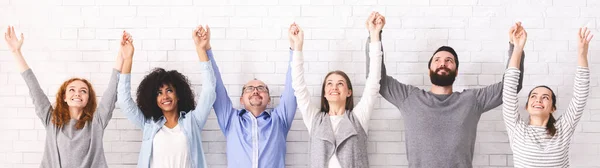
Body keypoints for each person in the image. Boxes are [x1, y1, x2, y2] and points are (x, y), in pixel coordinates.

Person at [364, 13, 526, 167]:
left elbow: (511, 87)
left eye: (449, 60)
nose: (443, 63)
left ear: (456, 71)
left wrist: (515, 48)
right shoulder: (409, 98)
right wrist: (374, 35)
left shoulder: (471, 100)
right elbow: (378, 80)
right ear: (429, 69)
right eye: (437, 60)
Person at [4, 26, 125, 168]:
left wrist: (122, 53)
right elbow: (33, 87)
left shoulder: (96, 123)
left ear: (88, 99)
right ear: (64, 97)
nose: (77, 93)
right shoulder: (51, 120)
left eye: (83, 91)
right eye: (72, 90)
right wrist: (16, 52)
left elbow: (112, 91)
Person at [291, 13, 383, 168]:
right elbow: (299, 88)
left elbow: (373, 82)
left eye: (340, 83)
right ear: (325, 93)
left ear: (349, 92)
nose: (334, 87)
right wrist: (297, 47)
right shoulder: (314, 120)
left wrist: (375, 36)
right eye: (329, 84)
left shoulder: (358, 119)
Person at [117, 25, 216, 168]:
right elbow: (124, 101)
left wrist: (200, 49)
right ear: (154, 99)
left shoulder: (193, 121)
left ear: (178, 95)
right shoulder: (149, 125)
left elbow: (209, 91)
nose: (164, 96)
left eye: (169, 90)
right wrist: (128, 59)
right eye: (159, 93)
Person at [207, 25, 298, 168]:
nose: (255, 91)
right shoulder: (231, 120)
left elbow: (293, 86)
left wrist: (295, 47)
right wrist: (206, 49)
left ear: (268, 100)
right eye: (249, 88)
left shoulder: (280, 120)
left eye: (261, 88)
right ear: (241, 100)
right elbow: (216, 85)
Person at [502, 26, 592, 167]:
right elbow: (508, 89)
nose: (538, 99)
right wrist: (517, 49)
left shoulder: (562, 130)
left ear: (552, 108)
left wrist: (582, 55)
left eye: (545, 97)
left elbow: (580, 96)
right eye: (533, 96)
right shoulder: (517, 130)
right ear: (526, 106)